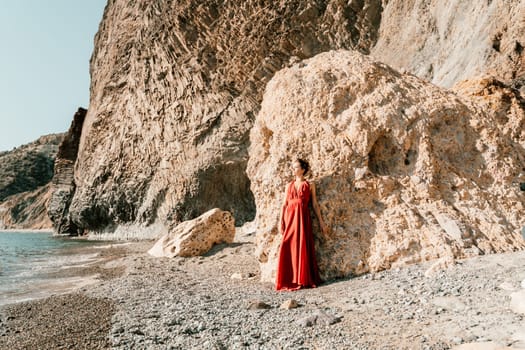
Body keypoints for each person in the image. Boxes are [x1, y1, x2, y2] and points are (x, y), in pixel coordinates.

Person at [275, 158, 329, 291]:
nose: (293, 170)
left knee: (302, 247)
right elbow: (284, 205)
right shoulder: (289, 185)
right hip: (290, 219)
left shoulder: (310, 185)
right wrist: (280, 222)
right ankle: (287, 279)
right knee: (287, 245)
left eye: (296, 167)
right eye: (292, 167)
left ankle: (302, 279)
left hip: (303, 219)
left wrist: (321, 222)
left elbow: (315, 204)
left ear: (303, 169)